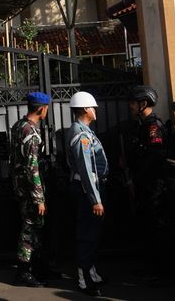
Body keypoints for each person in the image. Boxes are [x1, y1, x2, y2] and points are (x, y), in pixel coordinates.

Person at [125, 85, 175, 284]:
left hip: (154, 186)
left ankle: (161, 270)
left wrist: (138, 178)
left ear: (143, 104)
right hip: (146, 185)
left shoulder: (153, 126)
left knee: (156, 227)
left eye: (133, 102)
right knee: (148, 226)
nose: (130, 106)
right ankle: (153, 266)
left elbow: (154, 157)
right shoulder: (142, 124)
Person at [66, 91, 108, 297]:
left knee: (93, 233)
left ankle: (91, 271)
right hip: (87, 190)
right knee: (87, 234)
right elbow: (85, 169)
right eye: (93, 107)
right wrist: (95, 199)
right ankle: (85, 279)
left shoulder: (84, 131)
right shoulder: (81, 134)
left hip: (91, 189)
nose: (95, 110)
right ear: (85, 109)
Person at [8, 92, 51, 287]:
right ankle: (24, 273)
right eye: (47, 108)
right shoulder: (31, 133)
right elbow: (32, 168)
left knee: (34, 229)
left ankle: (39, 268)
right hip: (29, 192)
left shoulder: (19, 126)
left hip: (20, 188)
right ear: (41, 109)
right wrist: (39, 198)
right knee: (29, 230)